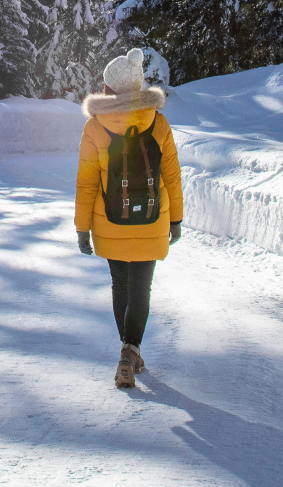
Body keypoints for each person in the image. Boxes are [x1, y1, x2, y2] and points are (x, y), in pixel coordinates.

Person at [73, 48, 184, 389]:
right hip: (152, 221)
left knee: (121, 284)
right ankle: (130, 349)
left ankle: (128, 349)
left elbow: (87, 182)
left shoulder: (95, 127)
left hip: (111, 220)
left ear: (107, 89)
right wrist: (176, 219)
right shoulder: (158, 122)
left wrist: (82, 228)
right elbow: (172, 175)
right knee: (141, 286)